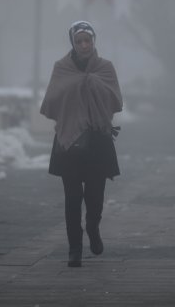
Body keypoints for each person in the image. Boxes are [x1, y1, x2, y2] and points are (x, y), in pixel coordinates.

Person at [40, 20, 123, 268]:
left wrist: (92, 83)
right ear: (73, 43)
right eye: (79, 41)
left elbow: (116, 100)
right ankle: (74, 249)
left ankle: (93, 228)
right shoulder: (61, 68)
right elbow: (52, 100)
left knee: (95, 196)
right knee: (72, 198)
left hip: (98, 137)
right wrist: (77, 86)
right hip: (69, 140)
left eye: (88, 40)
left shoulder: (105, 68)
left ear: (94, 41)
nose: (84, 45)